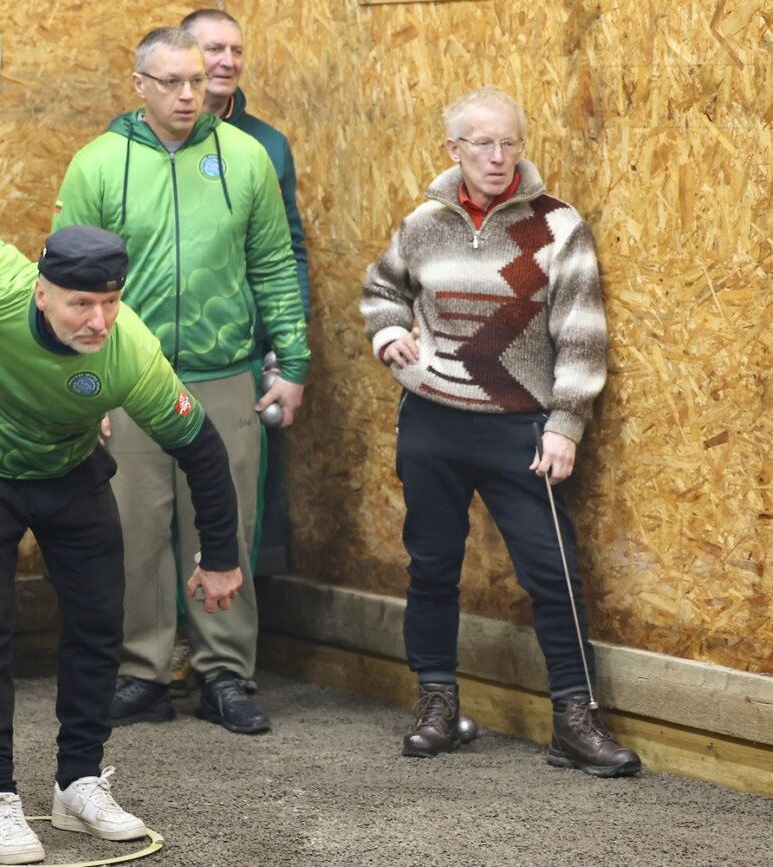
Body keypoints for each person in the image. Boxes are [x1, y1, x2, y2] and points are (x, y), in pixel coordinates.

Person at [0, 55, 247, 865]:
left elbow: (200, 447)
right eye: (81, 303)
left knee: (96, 624)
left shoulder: (130, 351)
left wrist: (221, 555)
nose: (97, 320)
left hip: (68, 472)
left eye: (109, 302)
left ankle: (78, 782)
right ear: (42, 292)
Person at [359, 86, 641, 777]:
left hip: (521, 428)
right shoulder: (424, 223)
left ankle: (574, 722)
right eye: (482, 143)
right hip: (431, 422)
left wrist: (566, 425)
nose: (497, 156)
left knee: (554, 572)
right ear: (453, 149)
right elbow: (382, 290)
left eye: (509, 142)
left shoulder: (557, 227)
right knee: (432, 568)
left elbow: (582, 335)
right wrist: (389, 333)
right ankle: (437, 704)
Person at [52, 27, 309, 735]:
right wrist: (80, 387)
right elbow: (66, 287)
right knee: (132, 529)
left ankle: (225, 672)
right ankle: (143, 671)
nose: (189, 94)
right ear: (140, 85)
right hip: (128, 378)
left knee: (225, 526)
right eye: (172, 82)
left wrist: (291, 364)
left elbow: (274, 266)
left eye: (197, 79)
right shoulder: (97, 165)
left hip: (223, 375)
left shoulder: (247, 158)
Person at [180, 8, 311, 583]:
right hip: (155, 353)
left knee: (235, 499)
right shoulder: (135, 141)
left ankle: (232, 624)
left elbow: (288, 255)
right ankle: (165, 628)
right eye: (213, 49)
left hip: (241, 355)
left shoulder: (267, 145)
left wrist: (286, 353)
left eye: (236, 50)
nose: (227, 61)